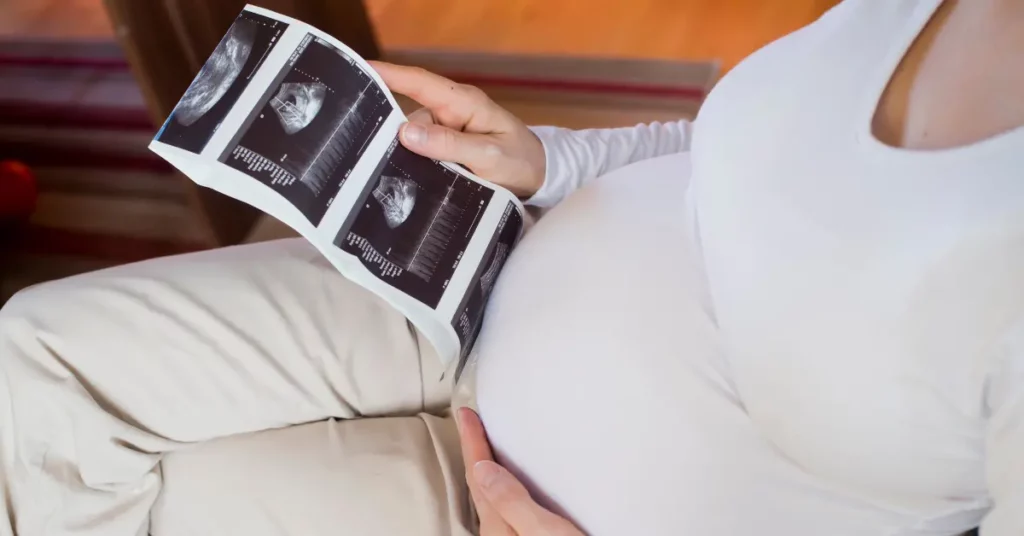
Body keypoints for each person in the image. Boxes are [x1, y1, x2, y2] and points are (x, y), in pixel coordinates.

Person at [1, 0, 1021, 534]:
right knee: (31, 365)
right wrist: (549, 160)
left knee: (142, 507)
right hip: (482, 272)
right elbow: (742, 147)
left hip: (523, 512)